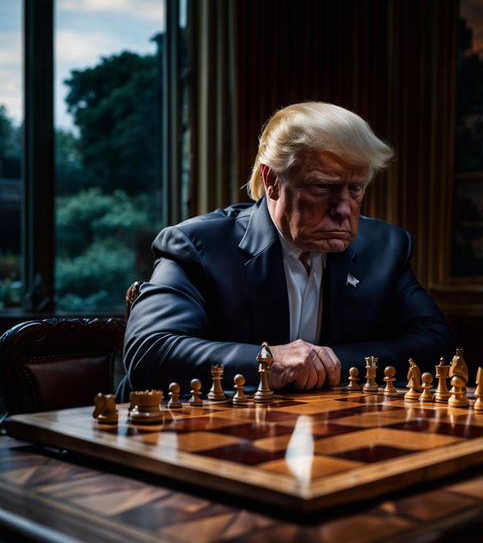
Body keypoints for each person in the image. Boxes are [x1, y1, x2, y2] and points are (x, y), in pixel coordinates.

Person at [120, 101, 455, 397]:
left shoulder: (386, 247)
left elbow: (436, 344)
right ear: (272, 181)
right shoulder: (197, 246)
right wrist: (270, 361)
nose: (343, 209)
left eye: (356, 189)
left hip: (320, 435)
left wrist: (330, 362)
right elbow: (150, 352)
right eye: (322, 187)